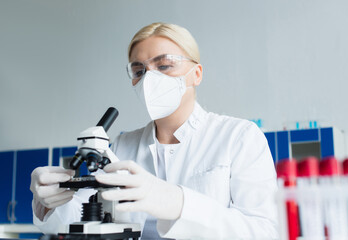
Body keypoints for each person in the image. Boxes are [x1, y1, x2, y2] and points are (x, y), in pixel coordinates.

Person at [30, 22, 279, 239]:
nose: (150, 80)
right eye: (139, 71)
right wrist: (51, 203)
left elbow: (264, 231)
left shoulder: (239, 137)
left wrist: (177, 203)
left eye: (164, 66)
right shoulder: (123, 145)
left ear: (196, 74)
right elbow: (91, 215)